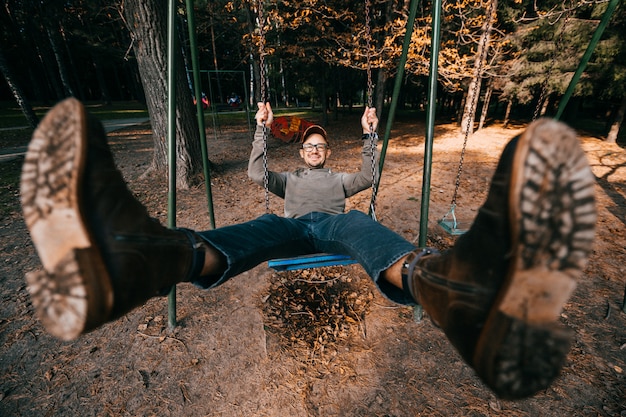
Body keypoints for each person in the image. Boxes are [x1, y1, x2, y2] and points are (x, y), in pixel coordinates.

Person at [20, 98, 596, 400]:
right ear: (305, 154)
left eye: (323, 145)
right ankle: (155, 257)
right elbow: (253, 173)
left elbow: (370, 176)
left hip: (336, 228)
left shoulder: (342, 181)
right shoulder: (288, 180)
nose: (318, 150)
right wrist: (261, 128)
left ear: (329, 152)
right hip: (292, 228)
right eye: (312, 146)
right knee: (257, 231)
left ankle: (448, 284)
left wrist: (372, 132)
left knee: (365, 233)